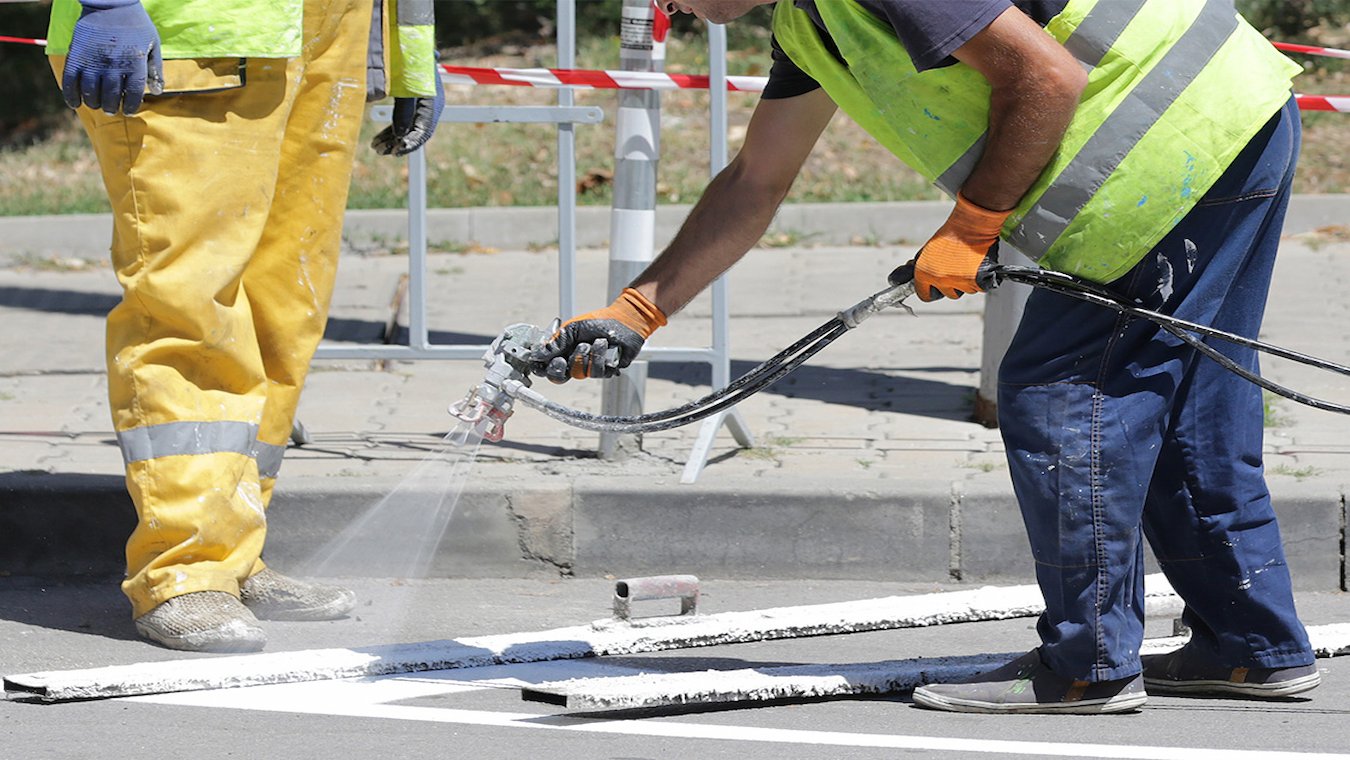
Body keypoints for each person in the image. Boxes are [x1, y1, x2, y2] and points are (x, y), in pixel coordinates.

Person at [532, 0, 1319, 713]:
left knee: (1062, 394)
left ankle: (1089, 666)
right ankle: (1250, 648)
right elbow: (755, 180)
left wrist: (974, 226)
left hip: (1175, 144)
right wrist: (638, 309)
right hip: (1228, 120)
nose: (661, 6)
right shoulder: (809, 25)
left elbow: (1044, 74)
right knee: (1186, 401)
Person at [45, 0, 444, 653]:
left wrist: (404, 51)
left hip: (323, 34)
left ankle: (231, 551)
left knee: (285, 308)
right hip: (192, 34)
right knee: (188, 308)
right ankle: (185, 568)